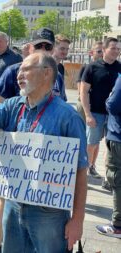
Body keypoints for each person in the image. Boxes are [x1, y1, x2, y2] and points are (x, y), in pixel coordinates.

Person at [0, 52, 88, 253]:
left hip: (49, 214)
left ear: (46, 73)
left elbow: (81, 172)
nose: (18, 74)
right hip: (13, 206)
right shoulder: (13, 106)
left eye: (25, 69)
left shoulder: (68, 117)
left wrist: (77, 220)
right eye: (19, 70)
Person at [80, 37, 121, 178]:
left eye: (118, 48)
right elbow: (83, 91)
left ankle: (108, 177)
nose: (116, 51)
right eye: (113, 48)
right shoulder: (92, 67)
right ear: (104, 50)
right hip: (95, 113)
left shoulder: (120, 68)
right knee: (91, 144)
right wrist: (88, 114)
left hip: (114, 116)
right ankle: (84, 173)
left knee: (111, 147)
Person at [96, 75, 121, 238]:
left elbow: (113, 104)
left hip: (118, 135)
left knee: (117, 178)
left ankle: (117, 225)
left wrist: (108, 99)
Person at [76, 41, 103, 122]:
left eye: (103, 51)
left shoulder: (104, 68)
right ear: (91, 53)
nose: (102, 54)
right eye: (99, 51)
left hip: (99, 107)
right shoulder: (86, 67)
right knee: (83, 129)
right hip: (86, 104)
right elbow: (80, 89)